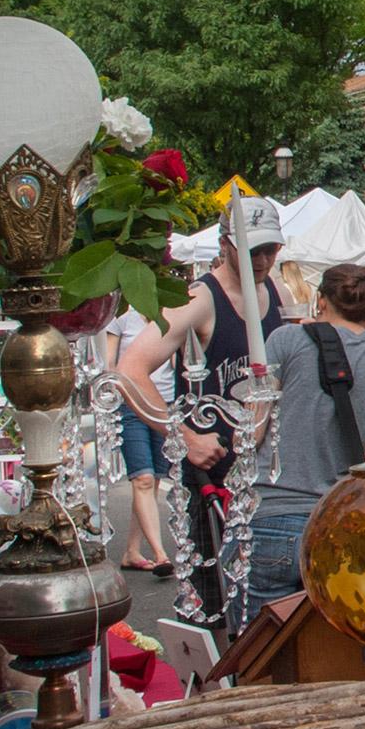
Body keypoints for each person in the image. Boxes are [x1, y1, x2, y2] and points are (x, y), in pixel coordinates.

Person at [118, 196, 287, 634]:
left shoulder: (277, 292)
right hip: (209, 478)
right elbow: (130, 370)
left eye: (271, 249)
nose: (264, 260)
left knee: (266, 606)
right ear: (226, 244)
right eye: (253, 251)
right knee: (208, 605)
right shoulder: (200, 298)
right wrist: (184, 436)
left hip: (262, 478)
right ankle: (202, 689)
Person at [248, 264, 365, 621]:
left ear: (319, 301)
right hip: (341, 524)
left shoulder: (284, 341)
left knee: (259, 652)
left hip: (272, 516)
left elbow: (252, 429)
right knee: (333, 652)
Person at [102, 309, 175, 576]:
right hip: (130, 405)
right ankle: (161, 554)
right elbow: (110, 362)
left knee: (153, 481)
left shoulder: (170, 312)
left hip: (162, 403)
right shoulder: (122, 313)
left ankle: (132, 551)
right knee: (142, 479)